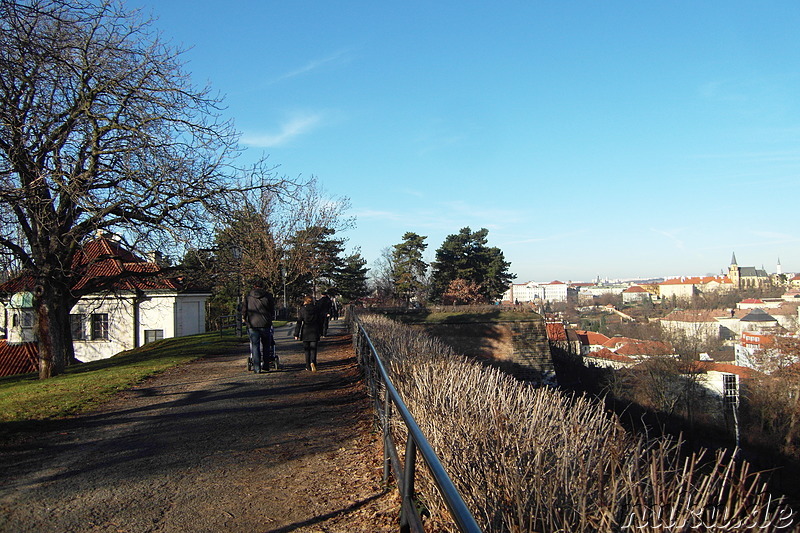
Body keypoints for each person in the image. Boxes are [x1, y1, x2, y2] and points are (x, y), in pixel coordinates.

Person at [242, 279, 275, 374]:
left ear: (254, 286)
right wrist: (270, 318)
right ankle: (266, 364)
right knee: (266, 345)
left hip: (252, 324)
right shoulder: (268, 296)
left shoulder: (248, 297)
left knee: (255, 345)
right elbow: (272, 309)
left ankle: (257, 367)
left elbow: (244, 310)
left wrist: (245, 318)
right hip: (265, 323)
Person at [294, 295, 322, 371]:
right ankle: (313, 362)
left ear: (305, 301)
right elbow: (320, 321)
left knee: (307, 350)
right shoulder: (316, 309)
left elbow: (299, 322)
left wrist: (296, 333)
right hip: (314, 329)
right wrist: (321, 331)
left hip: (306, 330)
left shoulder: (302, 309)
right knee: (314, 349)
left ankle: (307, 365)